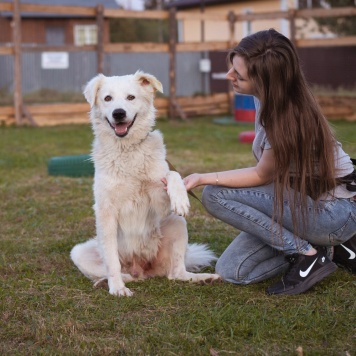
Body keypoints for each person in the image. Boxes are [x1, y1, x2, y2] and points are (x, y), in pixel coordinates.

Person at [183, 29, 356, 296]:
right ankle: (328, 249)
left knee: (215, 194)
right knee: (233, 271)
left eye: (238, 75)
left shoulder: (288, 117)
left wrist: (204, 176)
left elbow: (262, 175)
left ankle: (307, 254)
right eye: (233, 67)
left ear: (265, 83)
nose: (230, 76)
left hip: (333, 212)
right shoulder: (268, 97)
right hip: (303, 202)